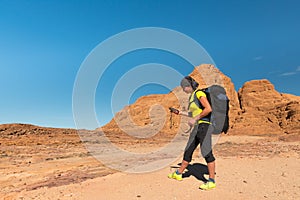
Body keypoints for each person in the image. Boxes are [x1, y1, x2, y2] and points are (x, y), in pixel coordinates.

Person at [168, 76, 216, 190]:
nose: (183, 90)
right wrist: (179, 112)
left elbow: (208, 109)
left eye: (184, 87)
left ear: (189, 86)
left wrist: (195, 119)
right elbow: (192, 114)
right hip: (197, 127)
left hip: (204, 126)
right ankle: (179, 174)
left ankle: (211, 181)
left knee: (206, 153)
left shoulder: (199, 93)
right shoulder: (192, 97)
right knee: (188, 150)